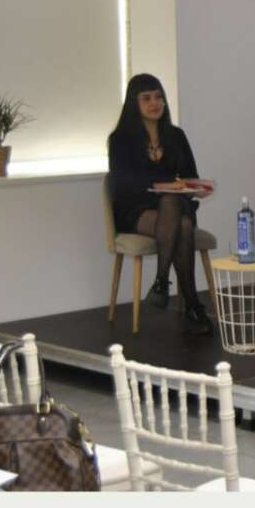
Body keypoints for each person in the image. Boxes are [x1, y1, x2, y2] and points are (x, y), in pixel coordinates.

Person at [108, 74, 214, 335]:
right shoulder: (120, 139)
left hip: (176, 206)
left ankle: (160, 283)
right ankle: (192, 305)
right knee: (184, 225)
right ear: (134, 103)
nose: (155, 103)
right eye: (146, 98)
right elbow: (123, 184)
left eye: (159, 97)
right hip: (136, 210)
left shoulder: (176, 136)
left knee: (175, 208)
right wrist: (165, 185)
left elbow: (190, 175)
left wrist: (191, 186)